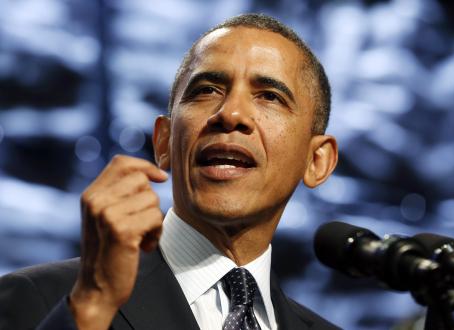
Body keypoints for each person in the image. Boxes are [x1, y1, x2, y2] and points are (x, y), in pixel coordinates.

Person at [0, 13, 339, 330]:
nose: (230, 113)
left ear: (317, 161)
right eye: (206, 90)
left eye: (269, 96)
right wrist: (94, 304)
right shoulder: (40, 299)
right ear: (163, 142)